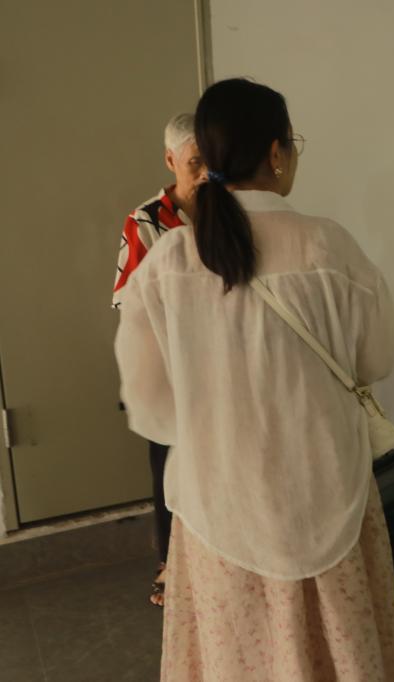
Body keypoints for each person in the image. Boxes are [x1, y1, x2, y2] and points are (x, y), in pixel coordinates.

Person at [114, 78, 394, 681]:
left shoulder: (170, 260)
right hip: (328, 493)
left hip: (218, 505)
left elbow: (148, 406)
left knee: (236, 657)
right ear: (277, 152)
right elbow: (375, 360)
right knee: (339, 652)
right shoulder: (331, 247)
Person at [112, 112, 204, 607]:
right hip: (168, 366)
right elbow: (129, 302)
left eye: (212, 161)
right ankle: (169, 562)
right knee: (167, 462)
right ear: (170, 160)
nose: (206, 173)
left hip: (220, 362)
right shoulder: (146, 220)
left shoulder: (229, 210)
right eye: (194, 163)